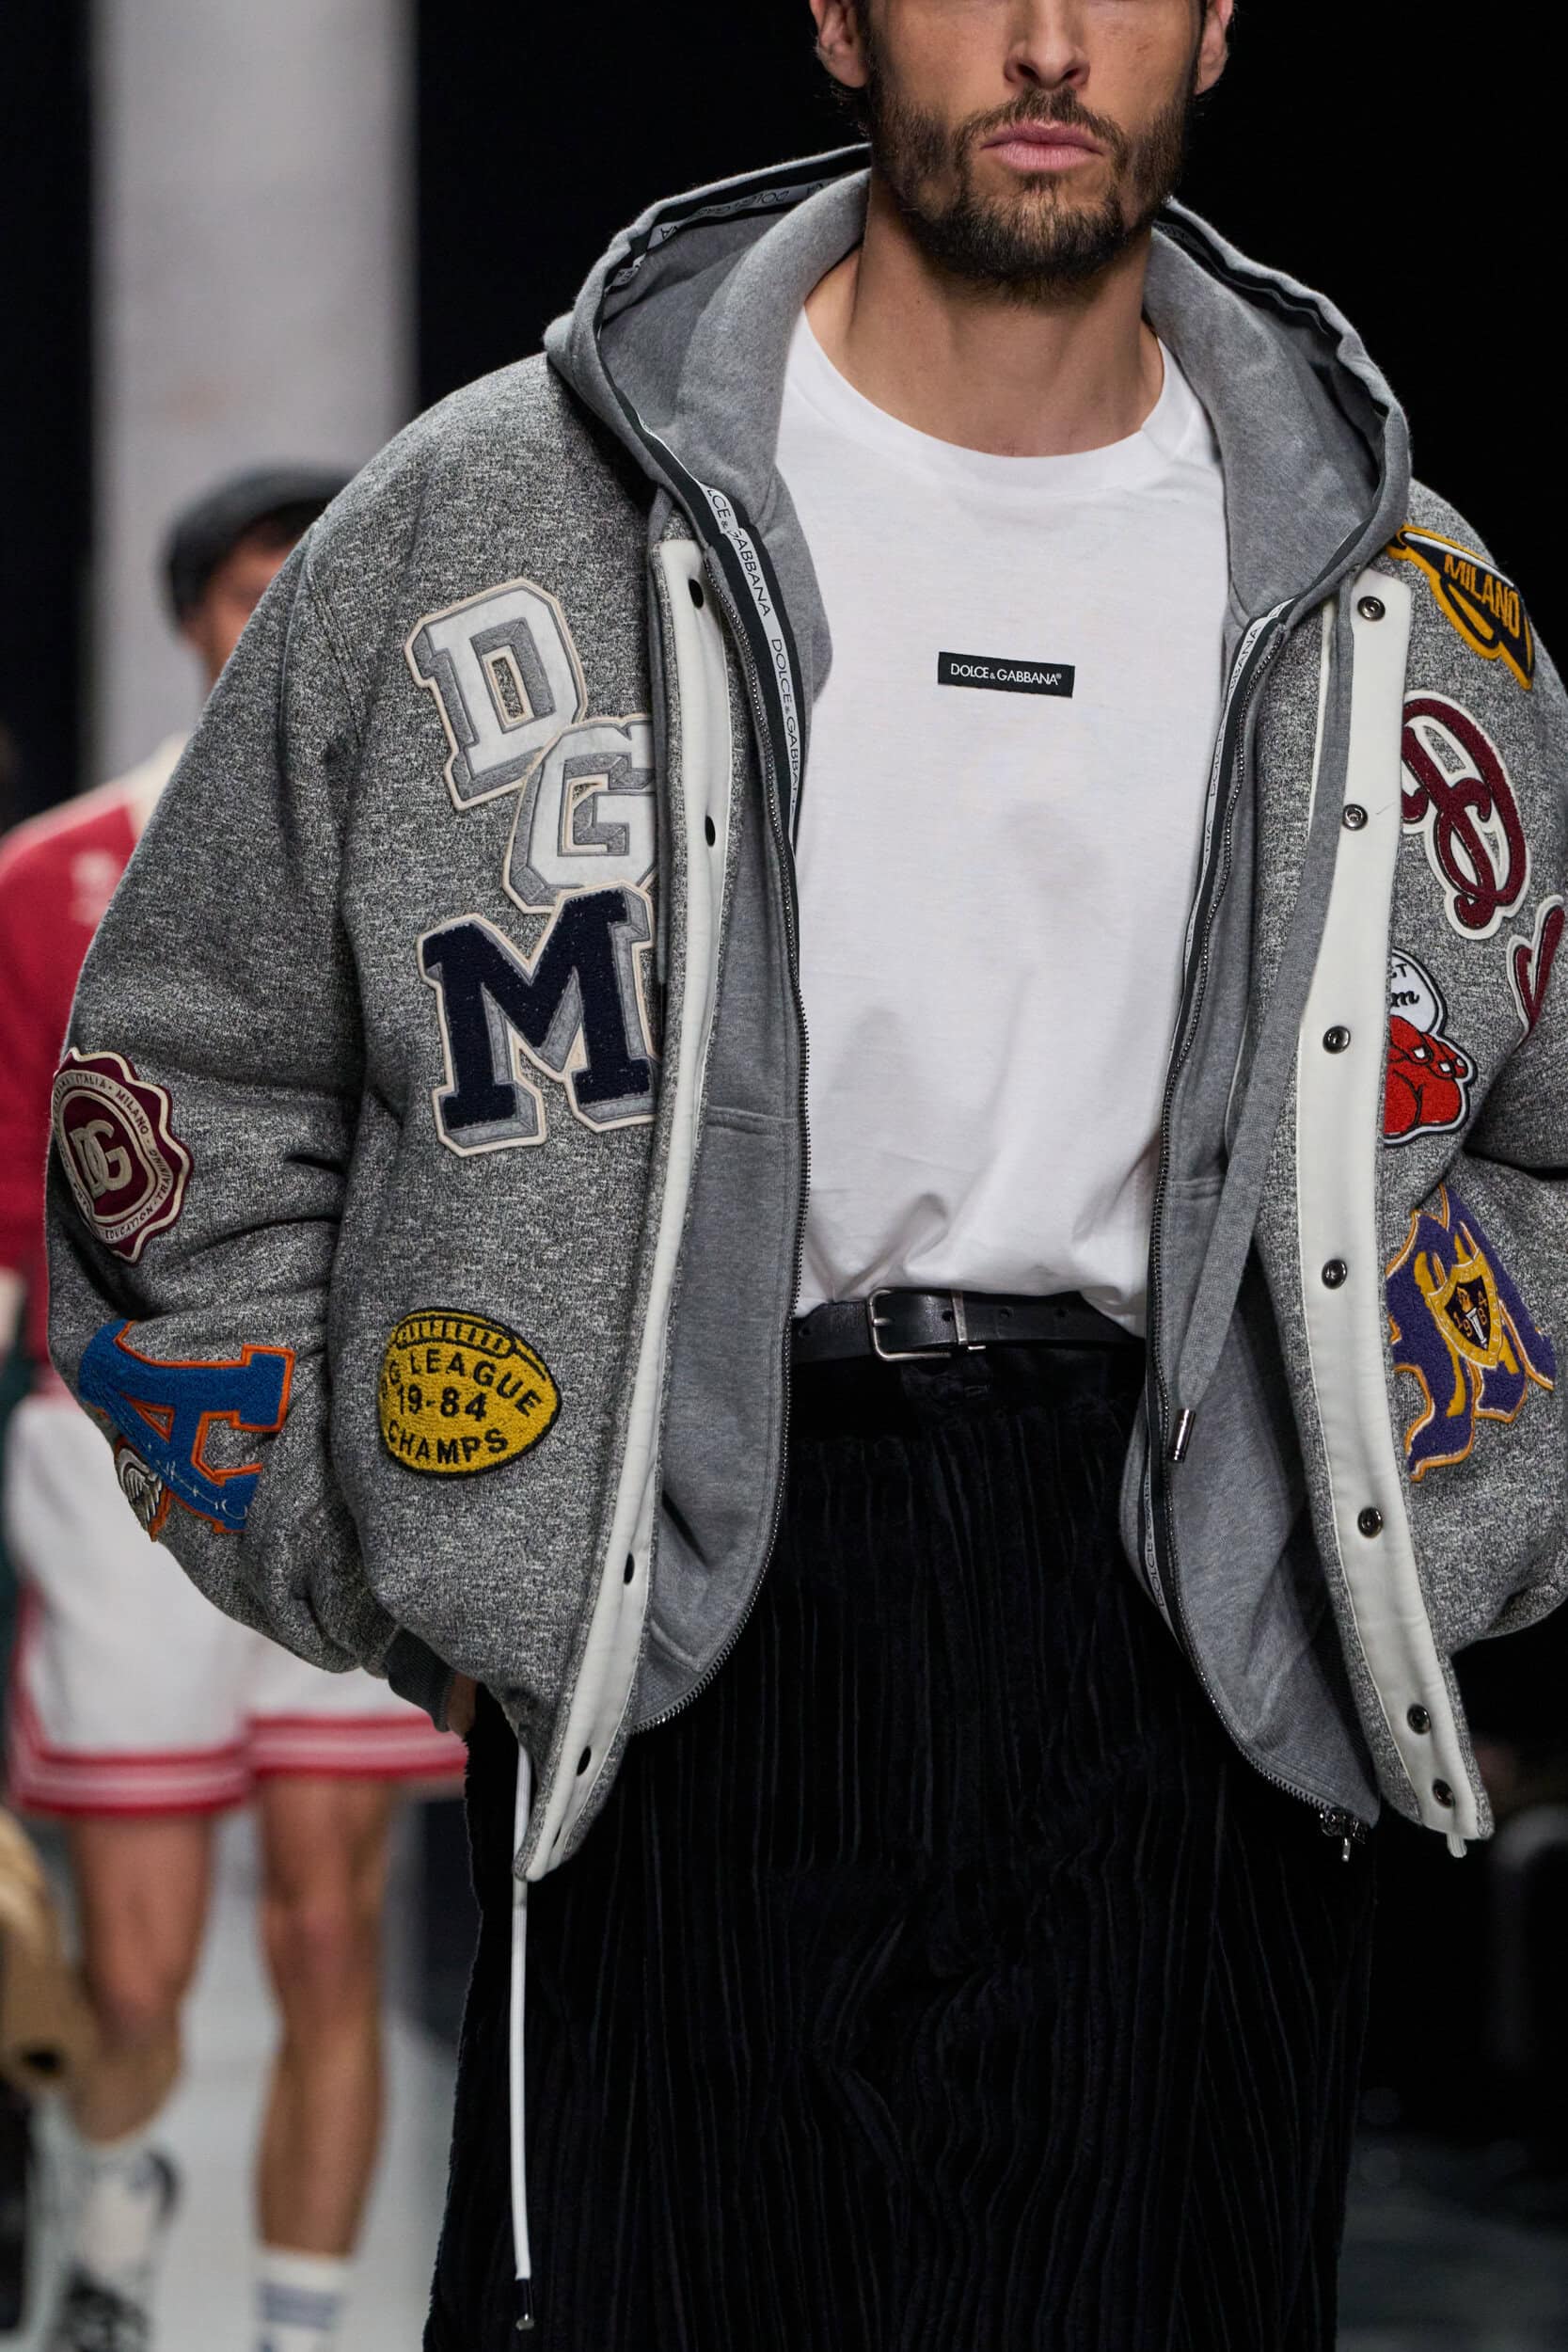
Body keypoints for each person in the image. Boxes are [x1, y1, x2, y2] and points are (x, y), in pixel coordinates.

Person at [40, 2, 1568, 2344]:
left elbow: (1540, 1142)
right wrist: (434, 1566)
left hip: (1207, 1615)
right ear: (841, 16)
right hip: (671, 1599)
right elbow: (180, 1098)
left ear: (1217, 24)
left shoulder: (1407, 605)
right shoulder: (496, 514)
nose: (1047, 41)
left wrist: (1407, 1544)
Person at [0, 469, 465, 2352]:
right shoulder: (51, 877)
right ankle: (113, 2221)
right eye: (247, 587)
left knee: (332, 1927)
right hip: (116, 1438)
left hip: (360, 1432)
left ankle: (297, 2329)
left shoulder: (451, 860)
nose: (277, 613)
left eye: (310, 580)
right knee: (133, 1963)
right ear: (190, 615)